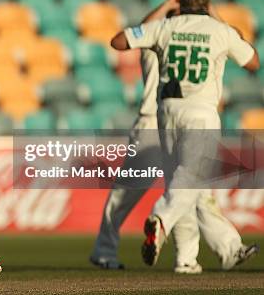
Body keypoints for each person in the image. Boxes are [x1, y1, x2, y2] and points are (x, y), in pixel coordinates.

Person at [110, 0, 260, 268]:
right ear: (207, 3)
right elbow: (253, 61)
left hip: (167, 112)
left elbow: (118, 41)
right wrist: (215, 15)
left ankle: (196, 258)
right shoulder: (219, 30)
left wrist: (165, 13)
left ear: (181, 2)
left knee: (185, 185)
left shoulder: (166, 27)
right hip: (200, 112)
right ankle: (161, 220)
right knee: (188, 182)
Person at [91, 46, 259, 273]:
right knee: (130, 193)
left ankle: (206, 254)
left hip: (174, 119)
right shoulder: (161, 34)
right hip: (154, 121)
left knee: (190, 191)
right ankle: (105, 250)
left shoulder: (174, 35)